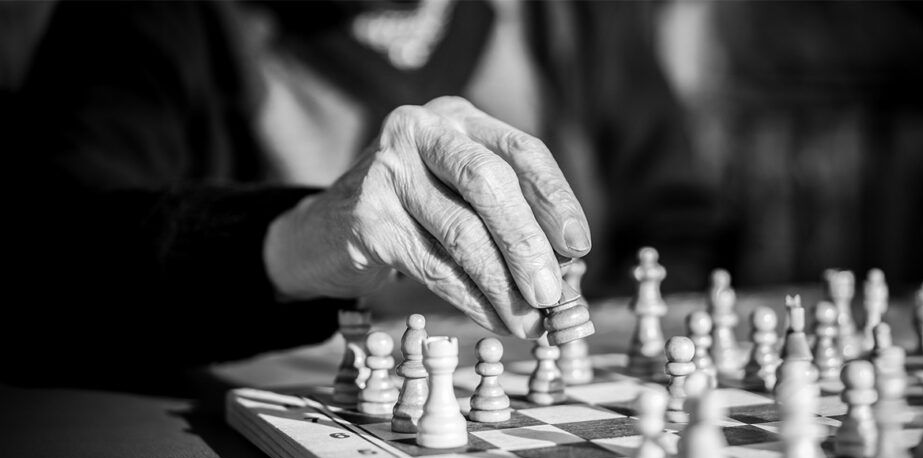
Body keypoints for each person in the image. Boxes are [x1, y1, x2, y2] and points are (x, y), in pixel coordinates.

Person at [4, 1, 715, 372]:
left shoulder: (578, 17)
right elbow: (45, 256)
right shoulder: (150, 18)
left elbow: (677, 220)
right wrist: (289, 239)